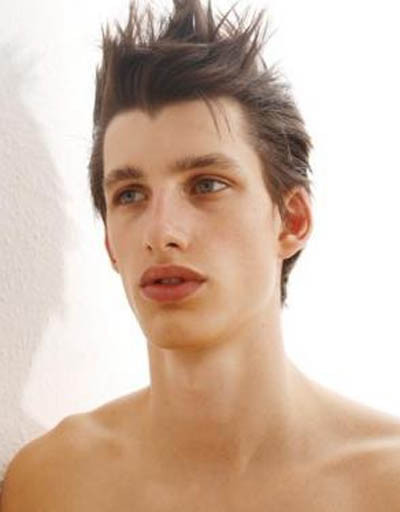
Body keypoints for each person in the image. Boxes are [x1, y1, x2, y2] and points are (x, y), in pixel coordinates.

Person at [2, 0, 400, 509]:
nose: (161, 232)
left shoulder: (385, 483)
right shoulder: (53, 483)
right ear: (110, 245)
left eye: (206, 184)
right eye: (130, 195)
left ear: (291, 220)